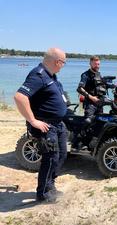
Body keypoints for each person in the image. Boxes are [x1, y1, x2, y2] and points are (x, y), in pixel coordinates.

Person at [14, 47, 67, 202]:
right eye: (63, 62)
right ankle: (43, 194)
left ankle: (50, 185)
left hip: (58, 124)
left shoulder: (52, 76)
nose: (63, 65)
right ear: (58, 62)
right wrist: (33, 121)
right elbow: (20, 97)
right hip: (46, 125)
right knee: (50, 158)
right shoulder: (38, 75)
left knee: (62, 155)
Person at [73, 56, 103, 150]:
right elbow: (79, 88)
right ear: (90, 63)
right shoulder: (85, 75)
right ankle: (78, 142)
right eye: (95, 64)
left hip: (99, 103)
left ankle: (92, 144)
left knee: (99, 123)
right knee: (88, 121)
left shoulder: (99, 74)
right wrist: (91, 97)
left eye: (98, 64)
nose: (97, 66)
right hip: (90, 103)